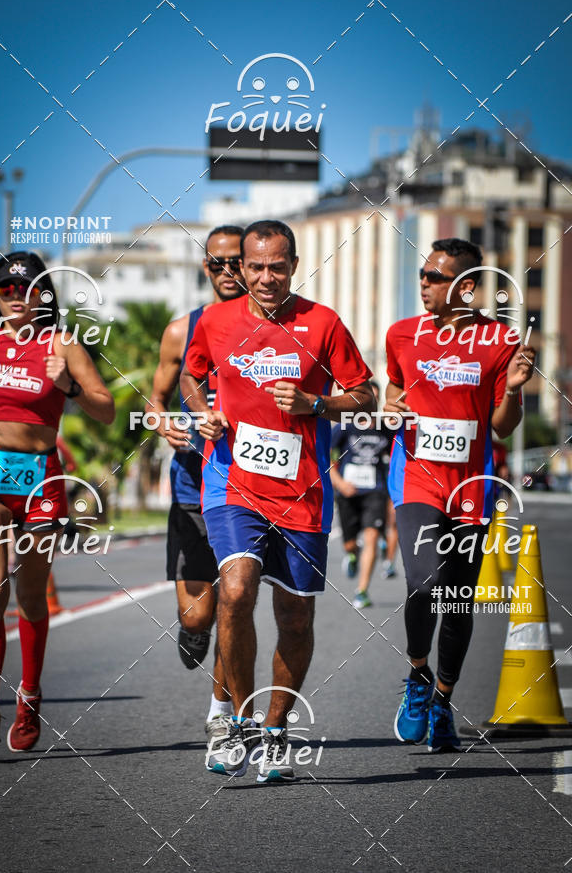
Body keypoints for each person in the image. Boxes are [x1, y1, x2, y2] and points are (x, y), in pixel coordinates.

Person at [180, 219, 375, 782]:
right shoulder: (215, 321)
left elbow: (366, 392)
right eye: (256, 266)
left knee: (294, 616)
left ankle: (275, 730)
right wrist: (201, 414)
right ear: (240, 267)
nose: (266, 278)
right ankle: (237, 721)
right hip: (233, 484)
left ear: (294, 264)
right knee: (235, 591)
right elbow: (192, 378)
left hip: (303, 493)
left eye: (278, 266)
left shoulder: (323, 323)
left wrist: (318, 404)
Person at [386, 238, 535, 752]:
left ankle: (444, 702)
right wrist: (392, 406)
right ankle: (418, 678)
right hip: (418, 479)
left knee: (458, 598)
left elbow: (502, 427)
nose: (422, 282)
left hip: (472, 487)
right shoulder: (402, 335)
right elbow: (392, 388)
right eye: (422, 274)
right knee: (424, 583)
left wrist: (514, 388)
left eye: (434, 276)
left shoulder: (500, 341)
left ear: (465, 287)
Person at [0, 251, 114, 749]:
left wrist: (68, 385)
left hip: (40, 480)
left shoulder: (63, 344)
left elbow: (108, 411)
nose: (16, 297)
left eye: (27, 289)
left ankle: (29, 696)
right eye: (6, 290)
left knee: (32, 592)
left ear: (42, 296)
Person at [148, 226, 244, 740]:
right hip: (191, 487)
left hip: (247, 490)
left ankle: (221, 713)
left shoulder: (273, 327)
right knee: (197, 617)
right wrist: (160, 420)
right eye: (217, 263)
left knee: (236, 599)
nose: (227, 272)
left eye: (236, 262)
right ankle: (193, 632)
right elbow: (156, 397)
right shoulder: (180, 330)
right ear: (204, 268)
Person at [329, 381, 394, 608]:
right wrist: (339, 482)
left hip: (375, 491)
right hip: (347, 491)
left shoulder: (385, 428)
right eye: (368, 400)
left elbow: (398, 455)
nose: (371, 406)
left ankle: (362, 590)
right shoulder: (346, 426)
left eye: (375, 401)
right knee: (349, 545)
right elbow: (325, 455)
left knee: (372, 537)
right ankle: (351, 554)